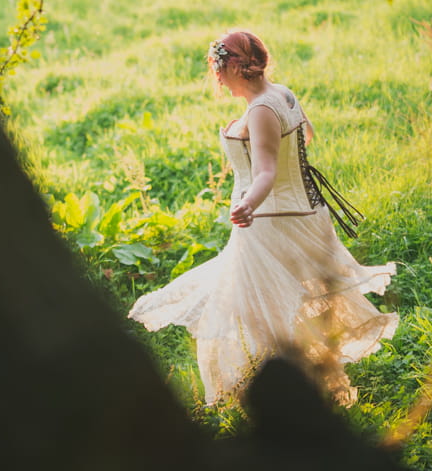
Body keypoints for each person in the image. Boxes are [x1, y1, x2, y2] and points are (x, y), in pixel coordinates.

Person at [128, 30, 398, 407]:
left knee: (256, 310)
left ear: (232, 69)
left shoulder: (260, 110)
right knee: (281, 305)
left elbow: (266, 173)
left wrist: (247, 205)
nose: (216, 78)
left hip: (269, 222)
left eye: (217, 70)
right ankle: (299, 383)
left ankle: (281, 392)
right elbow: (304, 136)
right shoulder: (282, 94)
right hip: (303, 214)